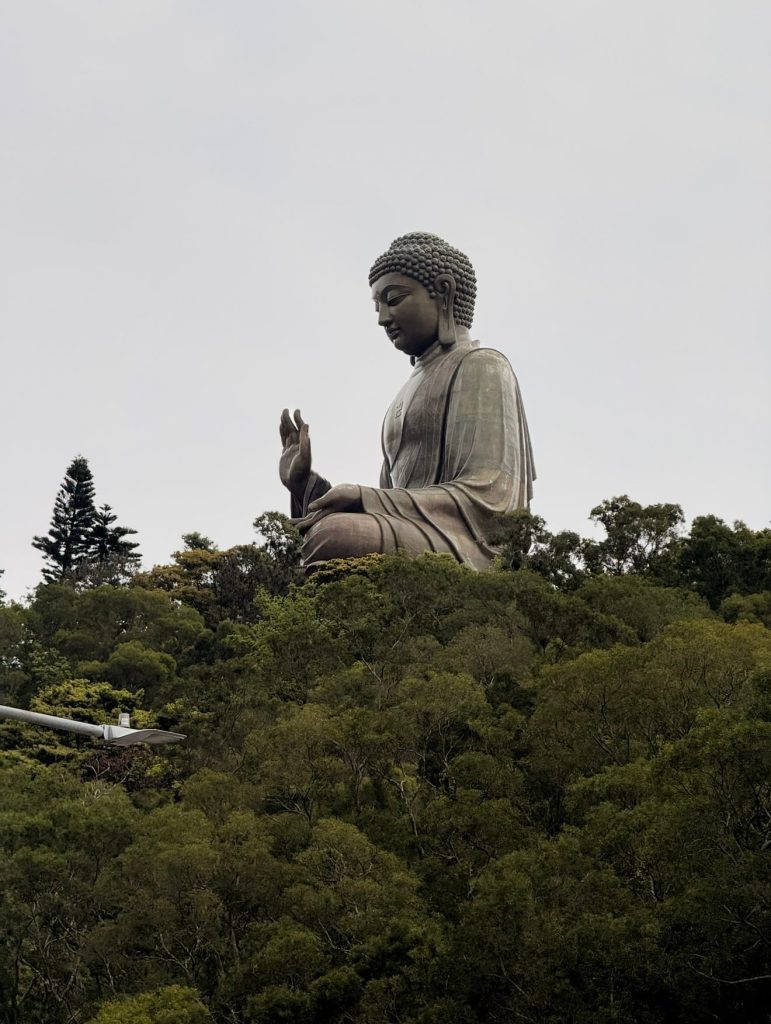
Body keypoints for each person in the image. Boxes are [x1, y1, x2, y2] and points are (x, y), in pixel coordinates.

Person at [279, 232, 535, 571]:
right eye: (378, 307)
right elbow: (390, 501)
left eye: (394, 299)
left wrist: (364, 497)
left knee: (335, 535)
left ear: (444, 292)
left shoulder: (482, 365)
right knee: (327, 532)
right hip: (415, 531)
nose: (383, 318)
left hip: (467, 544)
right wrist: (305, 485)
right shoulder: (405, 393)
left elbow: (492, 502)